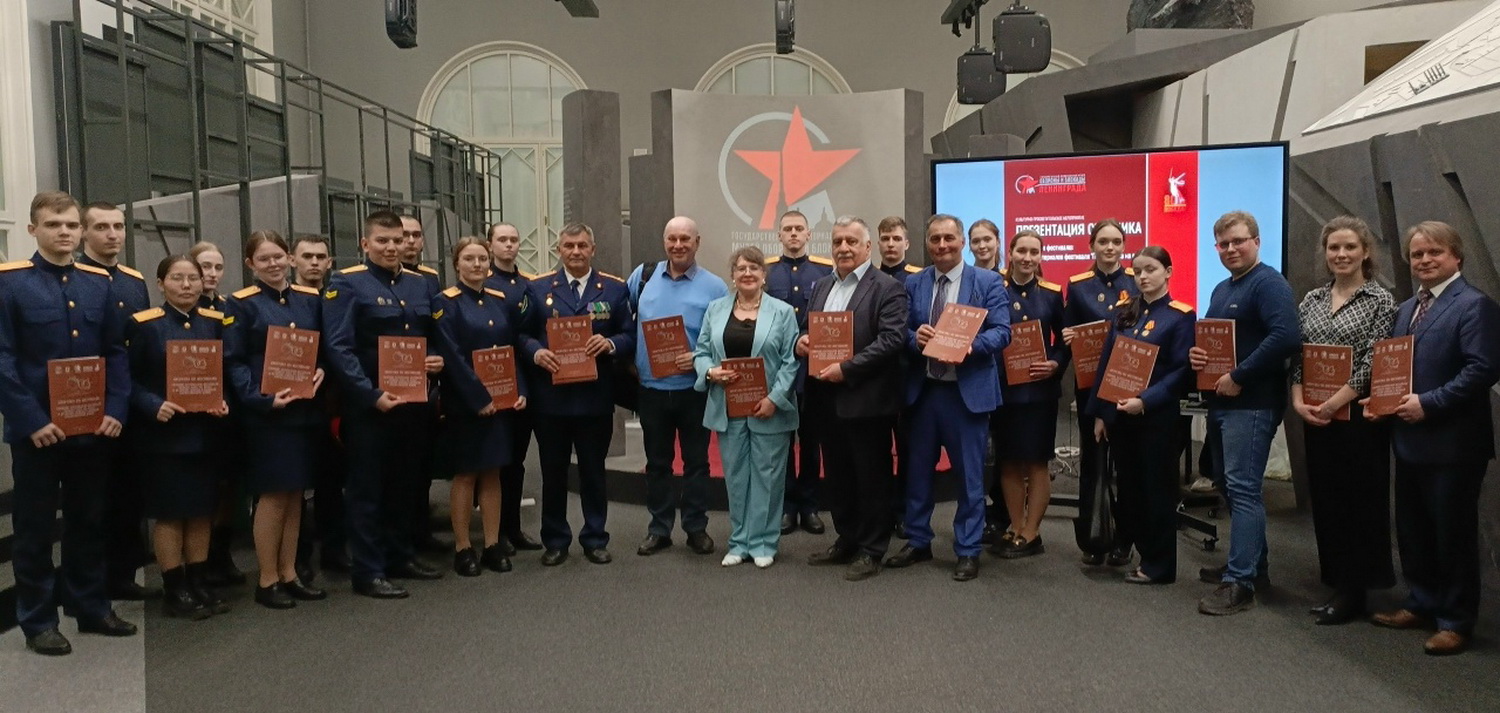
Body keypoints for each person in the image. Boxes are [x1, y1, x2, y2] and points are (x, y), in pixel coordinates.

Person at [0, 191, 135, 655]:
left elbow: (115, 352)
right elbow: (3, 359)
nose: (64, 232)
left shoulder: (98, 284)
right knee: (35, 528)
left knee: (88, 521)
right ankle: (38, 620)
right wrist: (31, 419)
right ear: (33, 229)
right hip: (37, 432)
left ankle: (90, 606)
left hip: (92, 427)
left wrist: (116, 408)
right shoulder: (10, 284)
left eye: (72, 225)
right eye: (54, 224)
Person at [1365, 221, 1500, 656]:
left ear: (1456, 256)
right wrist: (1381, 402)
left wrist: (1429, 403)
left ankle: (1455, 621)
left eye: (1434, 252)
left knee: (1452, 535)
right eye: (1417, 254)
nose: (1424, 260)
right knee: (1413, 529)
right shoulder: (1407, 308)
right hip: (1408, 438)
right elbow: (1396, 368)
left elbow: (1482, 369)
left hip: (1454, 444)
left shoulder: (1475, 305)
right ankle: (1421, 602)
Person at [322, 210, 446, 599]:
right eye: (382, 241)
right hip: (370, 407)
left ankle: (399, 556)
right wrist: (370, 394)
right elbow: (339, 346)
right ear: (365, 243)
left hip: (412, 403)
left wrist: (436, 358)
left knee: (404, 485)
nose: (392, 247)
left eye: (397, 240)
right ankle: (368, 570)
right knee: (367, 490)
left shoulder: (420, 284)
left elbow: (431, 334)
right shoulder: (347, 283)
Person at [887, 214, 1009, 582]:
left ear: (962, 242)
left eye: (949, 238)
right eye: (935, 239)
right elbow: (900, 330)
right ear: (927, 244)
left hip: (965, 394)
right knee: (917, 473)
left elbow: (1003, 332)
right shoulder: (914, 282)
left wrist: (971, 345)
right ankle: (918, 540)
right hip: (924, 392)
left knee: (970, 478)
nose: (942, 245)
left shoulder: (987, 282)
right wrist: (915, 338)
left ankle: (968, 549)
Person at [1289, 216, 1398, 625]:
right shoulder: (1312, 299)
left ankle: (1355, 591)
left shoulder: (1381, 300)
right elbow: (1300, 355)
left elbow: (1374, 359)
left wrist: (1333, 402)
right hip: (1316, 416)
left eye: (1350, 246)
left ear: (1365, 252)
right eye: (1334, 247)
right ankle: (1336, 579)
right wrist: (1298, 400)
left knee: (1359, 503)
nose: (1341, 254)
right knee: (1327, 500)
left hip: (1357, 419)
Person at [1190, 211, 1299, 616]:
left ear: (1256, 241)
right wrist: (1198, 355)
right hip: (1223, 402)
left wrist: (1239, 375)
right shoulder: (1223, 288)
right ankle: (1254, 566)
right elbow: (1219, 341)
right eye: (1224, 244)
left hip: (1252, 404)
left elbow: (1286, 336)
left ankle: (1240, 582)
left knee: (1243, 489)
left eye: (1238, 241)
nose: (1231, 249)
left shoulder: (1269, 283)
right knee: (1226, 482)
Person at [224, 231, 330, 609]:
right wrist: (261, 399)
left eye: (278, 256)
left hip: (303, 410)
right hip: (267, 414)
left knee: (295, 493)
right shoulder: (241, 304)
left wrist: (321, 368)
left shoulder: (309, 300)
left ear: (289, 258)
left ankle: (289, 572)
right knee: (272, 495)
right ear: (250, 264)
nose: (273, 264)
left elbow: (322, 345)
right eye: (263, 259)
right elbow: (233, 361)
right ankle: (267, 578)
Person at [800, 217, 908, 581]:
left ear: (867, 247)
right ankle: (847, 538)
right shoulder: (821, 285)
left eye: (851, 241)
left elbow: (891, 340)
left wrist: (846, 369)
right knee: (838, 475)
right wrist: (803, 341)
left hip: (866, 400)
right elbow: (811, 329)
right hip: (824, 397)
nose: (843, 248)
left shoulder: (888, 287)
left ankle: (872, 548)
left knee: (871, 476)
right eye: (837, 241)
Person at [127, 255, 233, 618]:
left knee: (202, 510)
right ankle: (175, 589)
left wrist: (223, 400)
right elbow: (126, 379)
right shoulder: (144, 325)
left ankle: (198, 580)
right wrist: (152, 404)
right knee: (171, 514)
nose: (186, 285)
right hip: (164, 436)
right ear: (160, 284)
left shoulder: (216, 323)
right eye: (177, 278)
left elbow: (227, 372)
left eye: (193, 278)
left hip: (206, 433)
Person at [523, 223, 635, 566]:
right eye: (569, 246)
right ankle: (556, 540)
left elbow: (630, 335)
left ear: (593, 249)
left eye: (582, 245)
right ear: (559, 249)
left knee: (593, 473)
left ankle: (595, 538)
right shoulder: (538, 288)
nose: (575, 251)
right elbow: (521, 335)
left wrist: (611, 343)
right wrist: (535, 352)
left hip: (594, 399)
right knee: (553, 473)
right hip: (551, 400)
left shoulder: (613, 289)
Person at [1089, 246, 1195, 585]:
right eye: (1137, 271)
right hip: (1121, 416)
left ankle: (1159, 565)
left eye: (1151, 269)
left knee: (1156, 492)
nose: (1143, 276)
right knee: (1130, 489)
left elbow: (1181, 371)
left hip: (1156, 418)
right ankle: (1136, 551)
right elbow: (1107, 365)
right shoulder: (1125, 312)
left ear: (1168, 272)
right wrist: (1102, 413)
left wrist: (1145, 401)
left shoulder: (1180, 316)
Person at [627, 216, 728, 557]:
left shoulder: (715, 287)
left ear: (697, 242)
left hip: (694, 390)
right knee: (657, 463)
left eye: (685, 238)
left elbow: (722, 339)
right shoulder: (642, 277)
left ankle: (696, 528)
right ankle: (659, 529)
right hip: (651, 389)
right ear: (664, 241)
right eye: (672, 238)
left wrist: (698, 357)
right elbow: (626, 322)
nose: (678, 245)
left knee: (697, 463)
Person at [694, 246, 800, 568]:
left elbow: (791, 361)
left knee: (768, 477)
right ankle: (739, 542)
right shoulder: (715, 309)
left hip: (768, 408)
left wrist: (774, 399)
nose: (748, 273)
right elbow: (701, 352)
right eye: (741, 268)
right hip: (728, 407)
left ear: (764, 275)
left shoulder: (782, 312)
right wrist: (710, 372)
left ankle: (764, 542)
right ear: (733, 275)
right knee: (736, 478)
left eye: (754, 268)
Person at [435, 237, 530, 575]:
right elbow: (453, 358)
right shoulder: (445, 303)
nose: (476, 265)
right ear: (456, 264)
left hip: (501, 402)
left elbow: (511, 350)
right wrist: (480, 399)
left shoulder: (499, 301)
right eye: (469, 259)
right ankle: (463, 547)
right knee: (466, 475)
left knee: (493, 472)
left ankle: (491, 544)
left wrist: (519, 389)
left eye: (481, 259)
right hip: (466, 405)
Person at [77, 202, 156, 601]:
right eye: (102, 227)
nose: (112, 234)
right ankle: (94, 582)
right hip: (89, 401)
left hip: (132, 403)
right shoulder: (75, 278)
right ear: (84, 233)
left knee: (129, 494)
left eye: (118, 226)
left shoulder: (133, 281)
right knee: (94, 500)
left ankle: (123, 574)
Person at [1063, 219, 1138, 566]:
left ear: (1124, 245)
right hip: (1091, 388)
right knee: (1092, 463)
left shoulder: (1136, 282)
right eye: (1103, 241)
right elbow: (1068, 329)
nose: (1110, 248)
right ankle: (1092, 537)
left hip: (1128, 387)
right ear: (1091, 245)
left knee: (1125, 465)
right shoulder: (1078, 286)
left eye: (1116, 242)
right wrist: (1068, 337)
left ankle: (1124, 539)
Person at [990, 230, 1067, 558]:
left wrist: (1055, 363)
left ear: (1041, 256)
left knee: (1036, 461)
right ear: (1010, 253)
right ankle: (1015, 525)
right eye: (1021, 250)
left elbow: (1064, 340)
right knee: (1008, 461)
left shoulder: (1051, 293)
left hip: (1038, 392)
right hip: (1003, 390)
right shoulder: (995, 288)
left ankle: (1031, 531)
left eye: (1034, 252)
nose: (1027, 257)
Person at [764, 210, 832, 536]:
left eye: (799, 229)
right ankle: (787, 506)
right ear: (779, 235)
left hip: (813, 370)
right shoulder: (766, 272)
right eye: (787, 229)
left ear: (809, 234)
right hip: (777, 369)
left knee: (811, 440)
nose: (793, 234)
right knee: (782, 441)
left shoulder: (826, 272)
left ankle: (810, 505)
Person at [290, 234, 350, 575]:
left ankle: (334, 550)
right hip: (291, 403)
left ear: (330, 263)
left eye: (320, 257)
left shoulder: (337, 298)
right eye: (307, 256)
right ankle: (296, 556)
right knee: (293, 484)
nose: (314, 262)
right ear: (292, 260)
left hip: (333, 403)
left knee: (332, 482)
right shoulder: (285, 301)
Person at [485, 221, 543, 554]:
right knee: (496, 462)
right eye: (502, 240)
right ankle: (495, 533)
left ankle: (514, 528)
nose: (508, 245)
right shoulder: (482, 284)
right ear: (490, 244)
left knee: (517, 461)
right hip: (491, 383)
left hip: (526, 383)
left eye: (513, 240)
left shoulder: (530, 285)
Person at [187, 240, 242, 586]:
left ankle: (222, 553)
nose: (211, 274)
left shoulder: (229, 307)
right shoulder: (182, 310)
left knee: (229, 486)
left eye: (218, 267)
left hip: (231, 407)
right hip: (193, 410)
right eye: (204, 267)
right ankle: (199, 560)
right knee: (202, 489)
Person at [398, 214, 444, 553]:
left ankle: (420, 533)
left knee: (422, 464)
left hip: (424, 385)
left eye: (416, 235)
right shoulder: (363, 281)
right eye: (404, 235)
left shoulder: (430, 280)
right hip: (386, 387)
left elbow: (436, 329)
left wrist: (436, 357)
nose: (410, 241)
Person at [876, 215, 921, 538]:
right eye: (885, 239)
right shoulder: (867, 279)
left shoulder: (919, 279)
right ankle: (880, 512)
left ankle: (905, 512)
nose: (891, 244)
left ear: (906, 243)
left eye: (896, 239)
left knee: (909, 450)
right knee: (877, 451)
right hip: (875, 378)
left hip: (909, 377)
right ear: (878, 243)